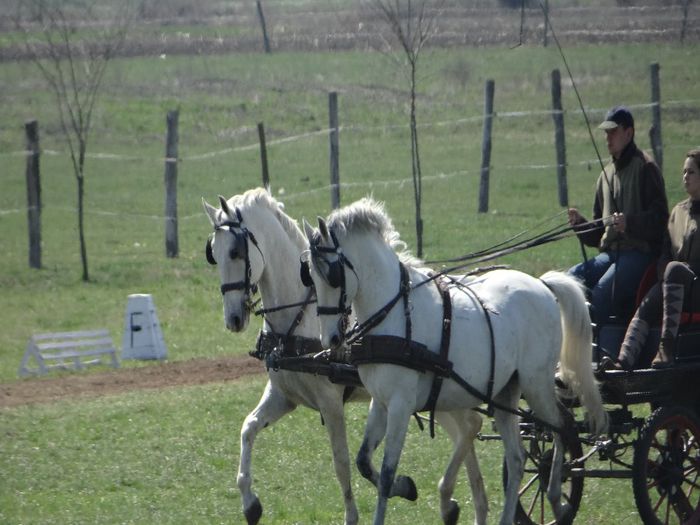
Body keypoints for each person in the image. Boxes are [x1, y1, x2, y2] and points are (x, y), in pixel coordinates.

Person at [568, 106, 669, 324]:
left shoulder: (646, 167)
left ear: (629, 133)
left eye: (613, 132)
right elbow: (598, 235)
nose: (608, 138)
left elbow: (661, 220)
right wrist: (580, 225)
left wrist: (629, 223)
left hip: (640, 253)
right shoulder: (604, 176)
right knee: (570, 280)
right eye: (606, 133)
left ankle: (600, 352)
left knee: (603, 291)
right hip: (610, 254)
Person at [601, 149, 700, 370]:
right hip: (675, 282)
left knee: (674, 270)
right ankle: (623, 362)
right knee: (648, 302)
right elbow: (665, 248)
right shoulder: (678, 212)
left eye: (691, 172)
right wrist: (664, 268)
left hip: (697, 286)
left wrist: (676, 269)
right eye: (684, 172)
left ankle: (667, 349)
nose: (685, 176)